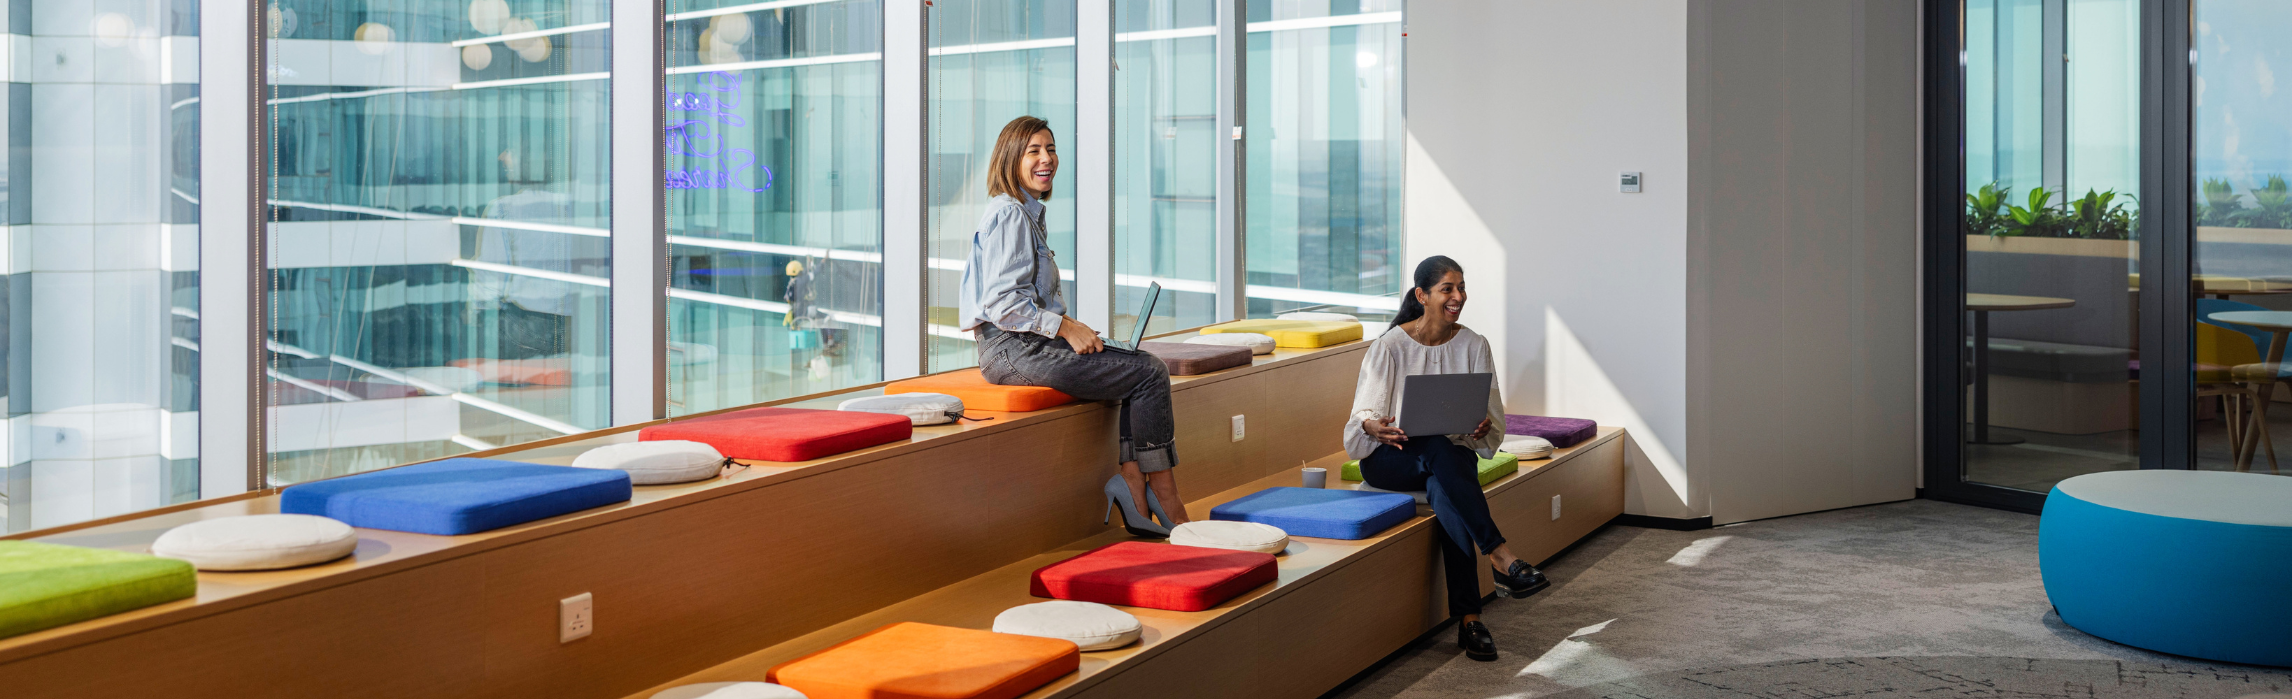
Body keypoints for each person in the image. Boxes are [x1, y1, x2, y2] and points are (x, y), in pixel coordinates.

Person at [960, 115, 1188, 537]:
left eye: (1050, 148)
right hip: (1012, 349)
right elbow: (1001, 304)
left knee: (1134, 365)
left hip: (1024, 343)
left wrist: (1074, 327)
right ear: (1010, 159)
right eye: (1034, 151)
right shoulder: (1009, 214)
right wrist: (1065, 328)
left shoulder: (1026, 213)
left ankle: (1135, 484)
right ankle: (1159, 490)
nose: (1047, 159)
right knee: (1149, 372)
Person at [1345, 255, 1550, 662]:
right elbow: (1360, 420)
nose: (1458, 296)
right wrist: (1373, 427)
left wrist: (1480, 428)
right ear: (1422, 295)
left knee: (1447, 483)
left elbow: (1491, 420)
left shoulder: (1474, 344)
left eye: (1461, 287)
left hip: (1447, 462)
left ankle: (1470, 620)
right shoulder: (1389, 346)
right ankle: (1500, 556)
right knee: (1441, 448)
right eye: (1447, 289)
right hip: (1392, 461)